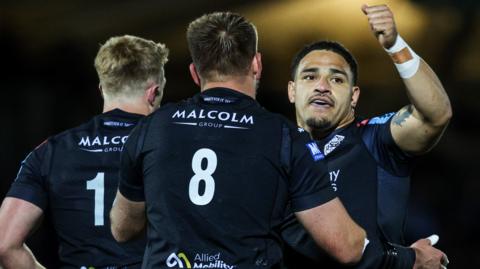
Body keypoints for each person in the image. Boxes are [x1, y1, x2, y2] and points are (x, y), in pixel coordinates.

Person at [110, 11, 367, 269]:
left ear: (194, 72)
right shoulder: (284, 136)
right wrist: (400, 256)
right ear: (256, 64)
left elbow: (122, 229)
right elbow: (346, 247)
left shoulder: (151, 127)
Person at [282, 4, 451, 269]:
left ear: (354, 96)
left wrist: (395, 45)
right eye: (310, 76)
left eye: (337, 80)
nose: (323, 86)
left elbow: (435, 115)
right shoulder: (274, 150)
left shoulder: (374, 138)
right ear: (292, 91)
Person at [0, 35, 169, 269]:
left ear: (102, 89)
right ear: (154, 92)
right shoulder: (173, 145)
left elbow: (5, 244)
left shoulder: (51, 150)